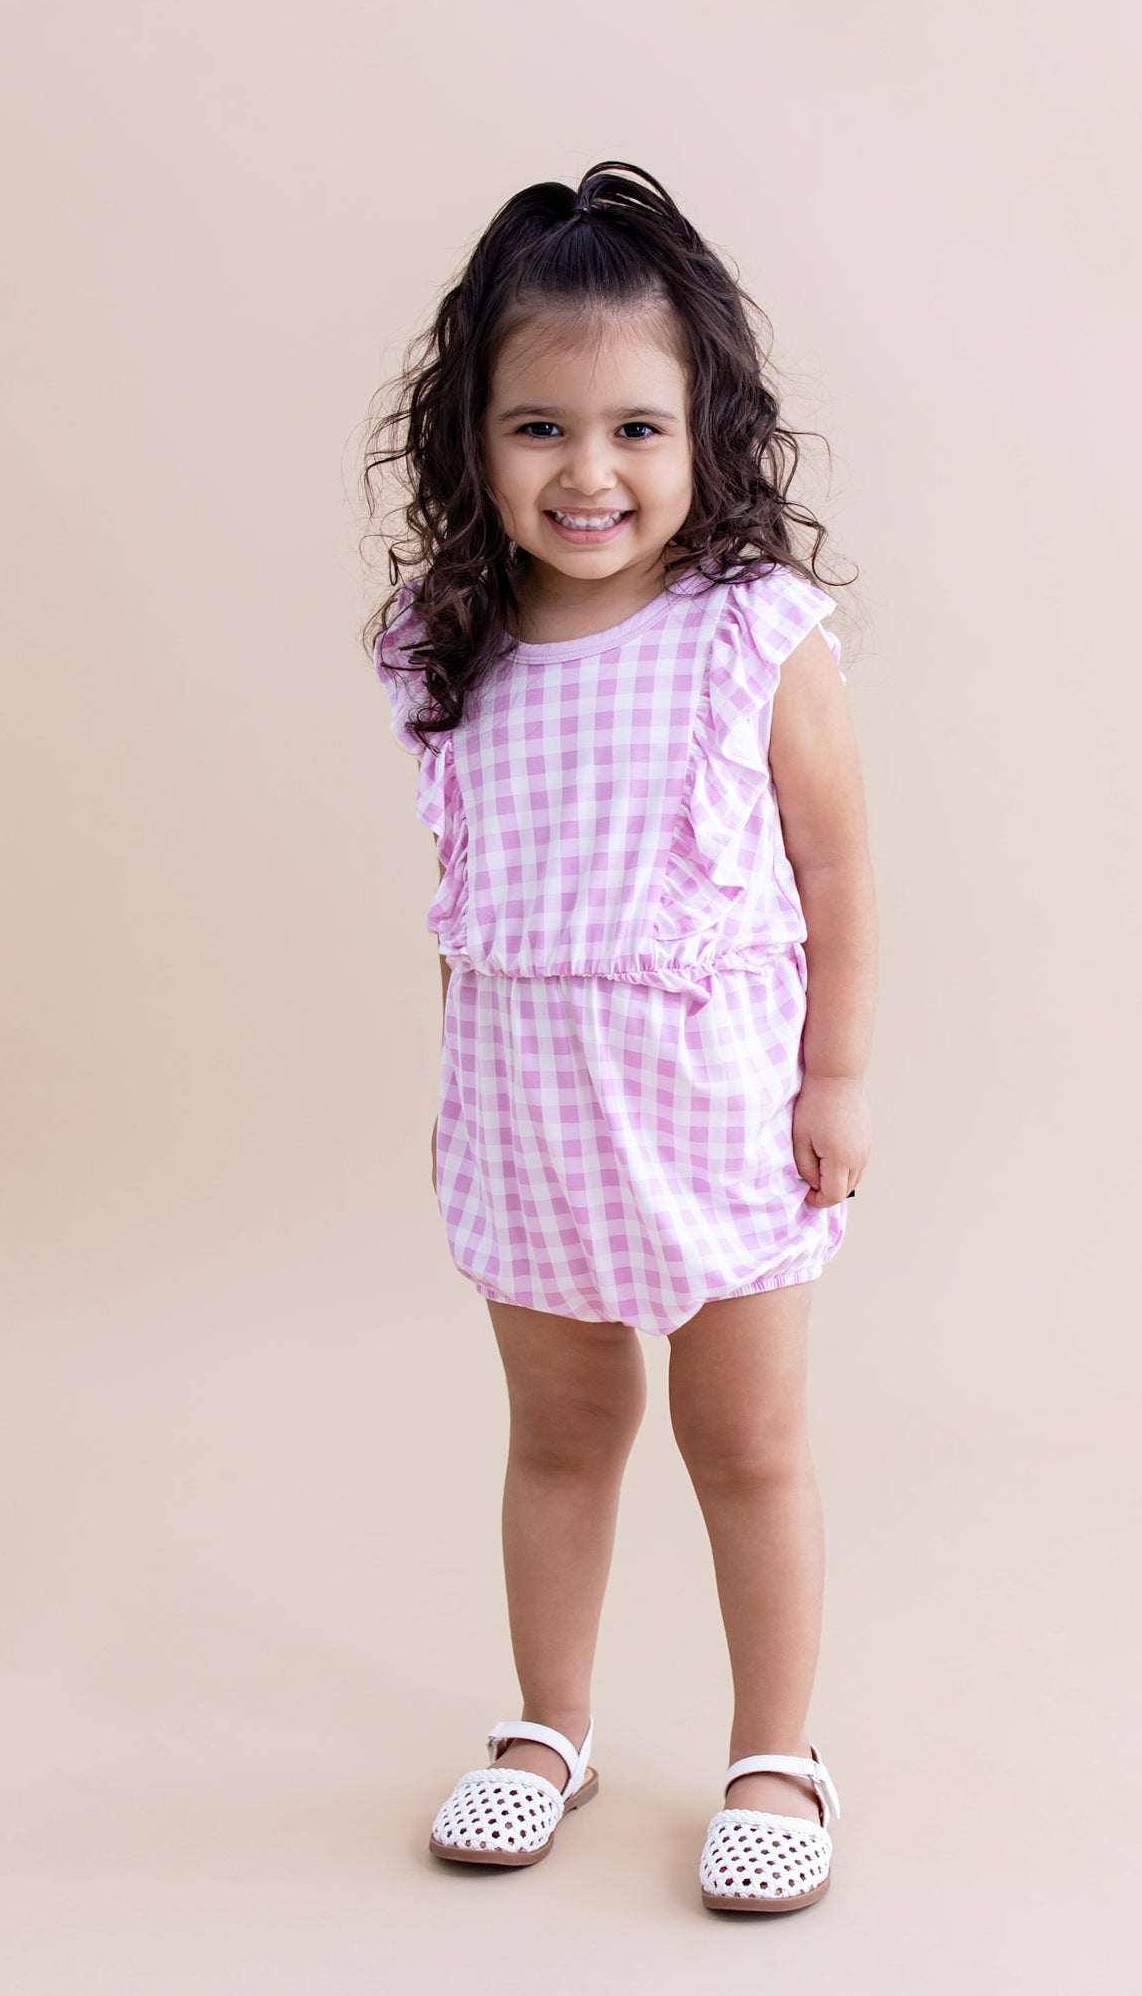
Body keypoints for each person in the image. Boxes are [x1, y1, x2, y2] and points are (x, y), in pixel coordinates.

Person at [362, 161, 876, 1914]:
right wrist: (455, 1098)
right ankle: (550, 1727)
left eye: (637, 428)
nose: (590, 473)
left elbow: (837, 864)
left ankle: (775, 1753)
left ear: (705, 431)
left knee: (746, 1444)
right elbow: (467, 905)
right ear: (472, 441)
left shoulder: (750, 635)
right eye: (539, 427)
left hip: (722, 1113)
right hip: (529, 1118)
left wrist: (839, 1077)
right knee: (562, 1436)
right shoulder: (456, 649)